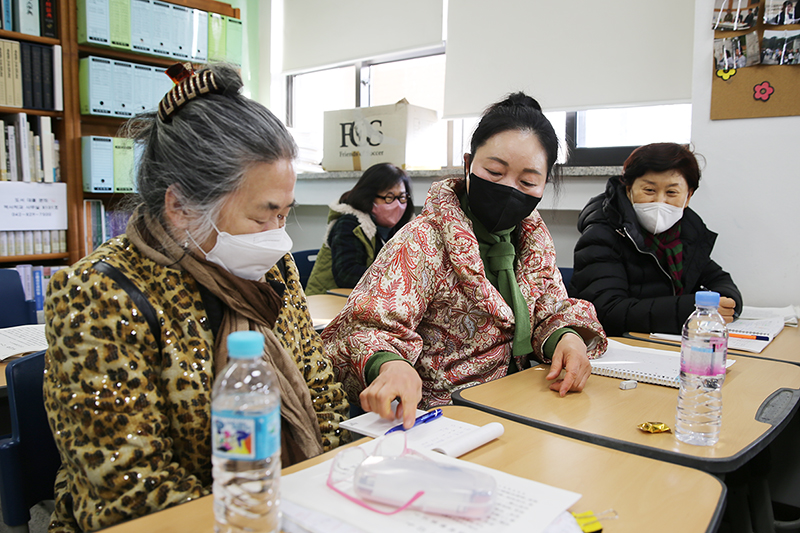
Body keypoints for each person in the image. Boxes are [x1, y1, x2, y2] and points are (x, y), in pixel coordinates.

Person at [43, 64, 349, 533]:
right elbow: (131, 491)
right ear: (181, 208)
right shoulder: (100, 293)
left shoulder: (272, 269)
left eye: (285, 216)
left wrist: (330, 494)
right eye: (263, 217)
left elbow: (321, 395)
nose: (279, 239)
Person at [323, 92, 607, 429]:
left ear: (545, 183)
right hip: (441, 420)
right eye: (494, 171)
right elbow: (366, 328)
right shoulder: (423, 239)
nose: (509, 189)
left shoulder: (533, 240)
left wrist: (568, 338)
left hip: (521, 404)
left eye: (528, 181)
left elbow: (550, 308)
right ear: (468, 164)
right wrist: (389, 365)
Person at [569, 142, 743, 337]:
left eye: (671, 193)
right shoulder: (603, 234)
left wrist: (728, 303)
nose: (660, 201)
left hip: (666, 343)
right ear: (629, 190)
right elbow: (607, 311)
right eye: (649, 190)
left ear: (688, 197)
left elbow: (718, 279)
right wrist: (695, 310)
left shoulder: (686, 234)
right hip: (617, 347)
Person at [305, 163, 414, 295]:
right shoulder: (349, 224)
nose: (397, 205)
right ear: (369, 196)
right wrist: (396, 276)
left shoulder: (404, 230)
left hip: (369, 300)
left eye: (402, 198)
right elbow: (347, 275)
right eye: (389, 198)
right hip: (329, 300)